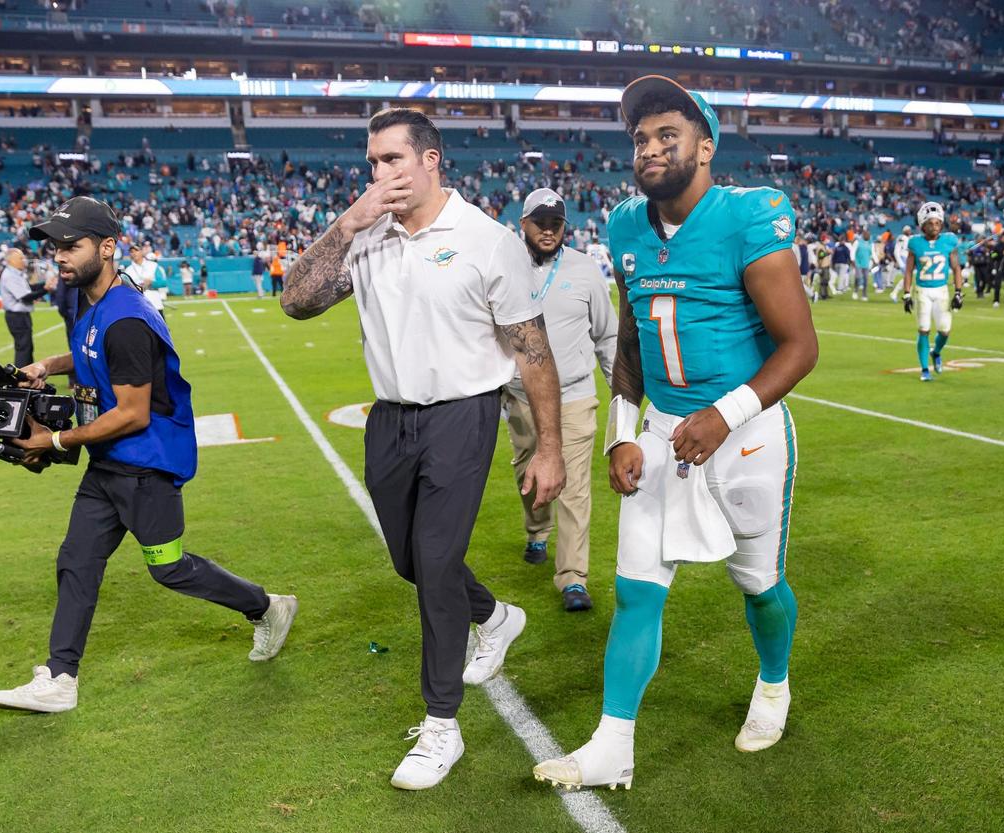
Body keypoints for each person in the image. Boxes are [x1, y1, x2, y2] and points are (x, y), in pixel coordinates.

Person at [533, 75, 818, 790]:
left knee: (758, 583)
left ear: (706, 146)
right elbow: (630, 341)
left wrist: (725, 415)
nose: (651, 148)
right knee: (635, 589)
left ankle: (774, 683)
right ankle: (611, 743)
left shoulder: (751, 215)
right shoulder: (627, 224)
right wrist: (622, 432)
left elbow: (799, 346)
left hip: (744, 434)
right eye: (641, 138)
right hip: (661, 430)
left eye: (669, 135)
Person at [281, 108, 565, 791]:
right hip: (390, 419)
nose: (380, 173)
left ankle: (443, 723)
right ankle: (496, 616)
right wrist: (348, 222)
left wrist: (548, 448)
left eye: (393, 160)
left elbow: (534, 352)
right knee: (411, 560)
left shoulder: (485, 239)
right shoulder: (368, 235)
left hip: (463, 414)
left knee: (436, 563)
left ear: (432, 160)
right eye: (373, 162)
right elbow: (295, 300)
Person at [0, 196, 297, 714]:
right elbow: (90, 350)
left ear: (107, 248)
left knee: (168, 567)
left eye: (71, 245)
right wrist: (46, 365)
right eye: (55, 247)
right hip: (108, 464)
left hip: (145, 464)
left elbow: (132, 413)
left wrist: (54, 441)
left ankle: (267, 606)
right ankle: (61, 677)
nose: (58, 256)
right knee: (77, 561)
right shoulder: (100, 299)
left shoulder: (126, 316)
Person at [504, 188, 616, 612]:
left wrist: (620, 395)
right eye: (540, 222)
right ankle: (536, 530)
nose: (548, 231)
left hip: (574, 394)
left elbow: (606, 335)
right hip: (520, 397)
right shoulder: (504, 267)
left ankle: (573, 577)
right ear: (524, 224)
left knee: (573, 486)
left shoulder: (586, 270)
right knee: (527, 474)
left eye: (556, 224)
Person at [901, 201, 964, 382]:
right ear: (923, 225)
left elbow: (956, 268)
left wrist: (958, 292)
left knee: (945, 331)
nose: (934, 226)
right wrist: (906, 294)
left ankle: (935, 352)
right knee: (924, 329)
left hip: (942, 291)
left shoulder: (949, 241)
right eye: (930, 223)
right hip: (922, 291)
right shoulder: (915, 243)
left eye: (937, 223)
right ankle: (924, 369)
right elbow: (908, 271)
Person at [0, 247, 49, 367]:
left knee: (27, 347)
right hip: (16, 316)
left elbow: (29, 289)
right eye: (21, 258)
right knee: (23, 348)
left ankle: (30, 378)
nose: (24, 260)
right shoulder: (10, 275)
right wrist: (46, 290)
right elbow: (25, 296)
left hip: (21, 315)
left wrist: (43, 287)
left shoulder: (16, 273)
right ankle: (20, 379)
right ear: (11, 261)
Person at [122, 243, 165, 319]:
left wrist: (151, 283)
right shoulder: (128, 270)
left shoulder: (153, 265)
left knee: (161, 330)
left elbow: (163, 283)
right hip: (137, 307)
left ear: (142, 252)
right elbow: (125, 289)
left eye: (136, 251)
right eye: (131, 252)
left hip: (155, 304)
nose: (134, 253)